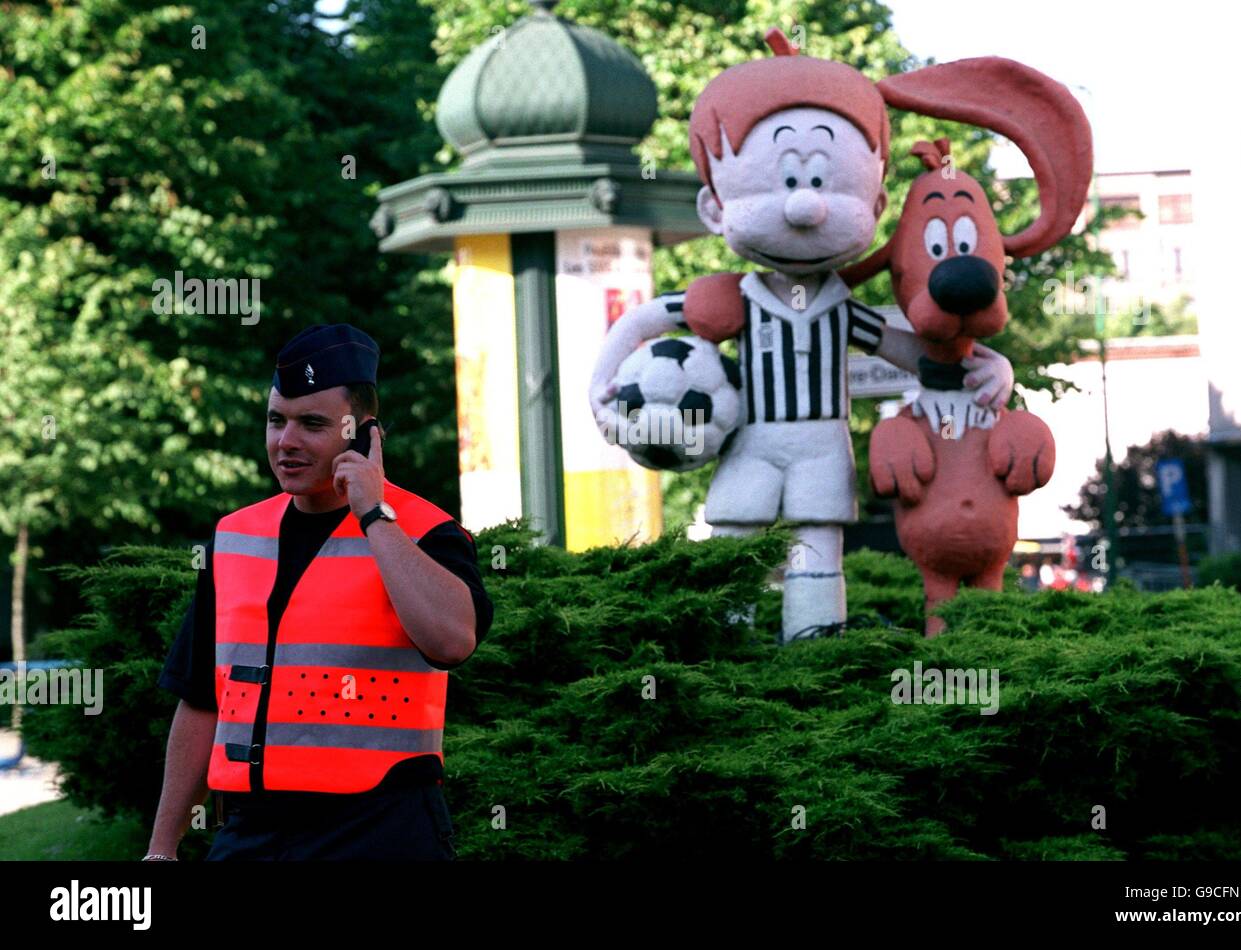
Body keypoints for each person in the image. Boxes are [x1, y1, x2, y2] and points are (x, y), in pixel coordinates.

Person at [588, 30, 1015, 642]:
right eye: (785, 182)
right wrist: (600, 383)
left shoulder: (844, 308)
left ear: (875, 198)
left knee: (817, 544)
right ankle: (726, 647)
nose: (805, 208)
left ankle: (813, 648)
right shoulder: (729, 299)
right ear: (715, 208)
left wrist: (994, 366)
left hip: (821, 444)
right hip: (752, 444)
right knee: (735, 537)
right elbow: (649, 317)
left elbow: (925, 358)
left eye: (825, 183)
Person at [144, 323, 492, 860]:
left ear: (363, 434)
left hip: (380, 831)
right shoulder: (236, 537)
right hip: (252, 835)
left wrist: (374, 513)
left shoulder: (425, 531)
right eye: (276, 421)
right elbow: (201, 701)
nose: (286, 442)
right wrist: (162, 850)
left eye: (311, 424)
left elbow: (452, 641)